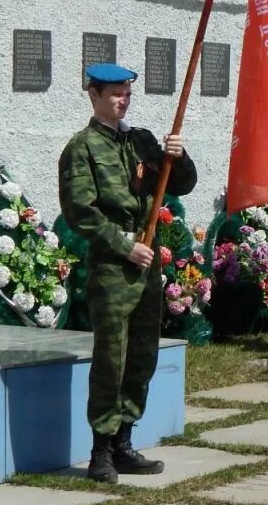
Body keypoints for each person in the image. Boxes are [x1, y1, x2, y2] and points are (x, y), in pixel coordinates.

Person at [59, 62, 197, 483]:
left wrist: (178, 154)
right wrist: (124, 246)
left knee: (142, 354)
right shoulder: (81, 148)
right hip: (114, 263)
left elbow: (183, 183)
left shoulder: (141, 141)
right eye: (115, 93)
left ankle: (124, 441)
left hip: (147, 256)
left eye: (127, 93)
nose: (123, 100)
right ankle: (100, 450)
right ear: (94, 95)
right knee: (111, 357)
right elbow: (80, 211)